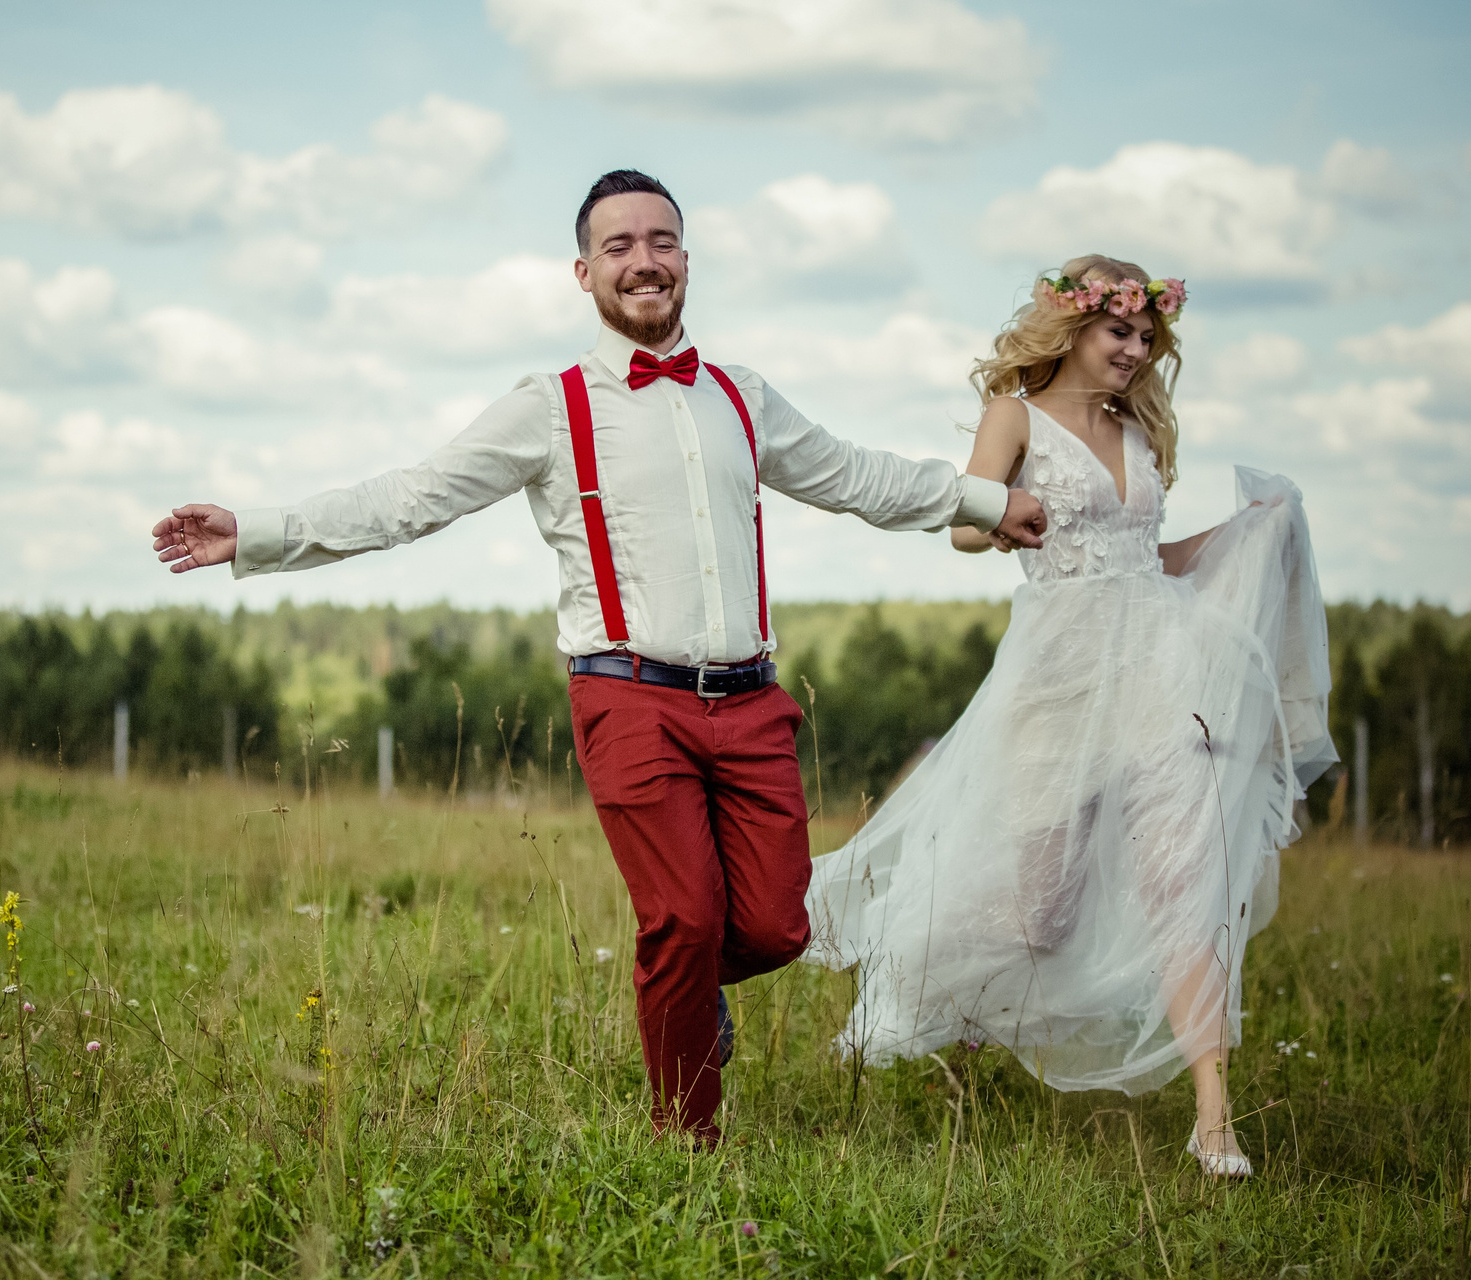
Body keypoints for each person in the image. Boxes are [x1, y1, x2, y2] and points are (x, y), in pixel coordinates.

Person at [153, 170, 1048, 1145]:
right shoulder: (551, 405)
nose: (643, 261)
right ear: (584, 273)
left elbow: (856, 476)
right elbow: (410, 498)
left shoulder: (742, 395)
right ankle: (685, 1141)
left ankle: (686, 990)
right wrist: (257, 532)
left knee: (776, 926)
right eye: (618, 246)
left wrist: (985, 500)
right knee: (684, 919)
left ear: (686, 260)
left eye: (661, 241)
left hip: (752, 701)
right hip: (629, 696)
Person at [802, 255, 1337, 1176]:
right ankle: (903, 975)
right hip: (1056, 683)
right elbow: (964, 528)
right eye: (1118, 331)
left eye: (1146, 337)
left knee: (1186, 887)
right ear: (1074, 327)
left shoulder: (1137, 428)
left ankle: (1214, 1120)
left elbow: (1149, 558)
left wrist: (1248, 530)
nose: (1135, 350)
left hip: (1160, 677)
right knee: (1037, 912)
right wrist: (1002, 513)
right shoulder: (1014, 415)